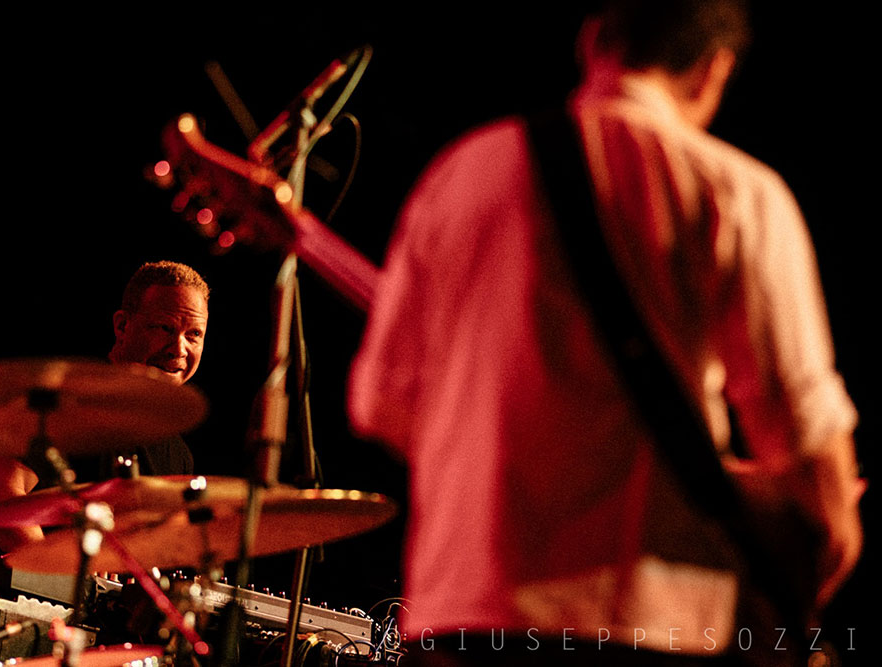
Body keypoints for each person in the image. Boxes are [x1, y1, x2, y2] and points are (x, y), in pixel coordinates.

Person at [346, 1, 864, 664]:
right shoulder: (735, 191)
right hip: (646, 616)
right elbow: (803, 437)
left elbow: (381, 406)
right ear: (714, 69)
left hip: (462, 612)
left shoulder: (459, 175)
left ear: (593, 42)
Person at [0, 260, 210, 553]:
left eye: (194, 334)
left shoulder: (178, 454)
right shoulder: (66, 403)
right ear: (122, 326)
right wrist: (58, 572)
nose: (179, 349)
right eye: (164, 328)